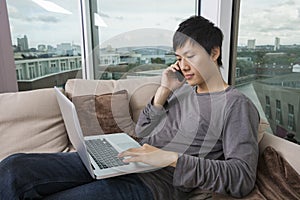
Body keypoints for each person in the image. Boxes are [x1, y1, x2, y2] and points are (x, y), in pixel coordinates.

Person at [0, 15, 260, 200]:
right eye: (179, 58)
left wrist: (171, 159)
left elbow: (242, 177)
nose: (183, 65)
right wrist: (163, 91)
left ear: (214, 53)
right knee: (14, 167)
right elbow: (143, 131)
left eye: (190, 56)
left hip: (154, 182)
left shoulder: (236, 105)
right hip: (129, 158)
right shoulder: (181, 89)